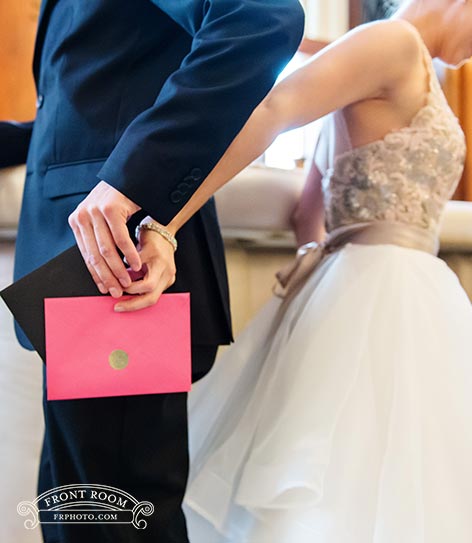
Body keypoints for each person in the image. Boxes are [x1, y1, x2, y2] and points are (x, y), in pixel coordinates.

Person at [117, 0, 471, 541]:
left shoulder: (409, 61)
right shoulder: (391, 44)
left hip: (378, 286)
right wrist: (166, 221)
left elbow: (311, 209)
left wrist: (322, 277)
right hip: (387, 287)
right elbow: (271, 110)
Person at [0, 1, 304, 542]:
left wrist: (133, 180)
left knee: (118, 516)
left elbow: (261, 17)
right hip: (81, 270)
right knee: (76, 509)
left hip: (123, 260)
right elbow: (87, 104)